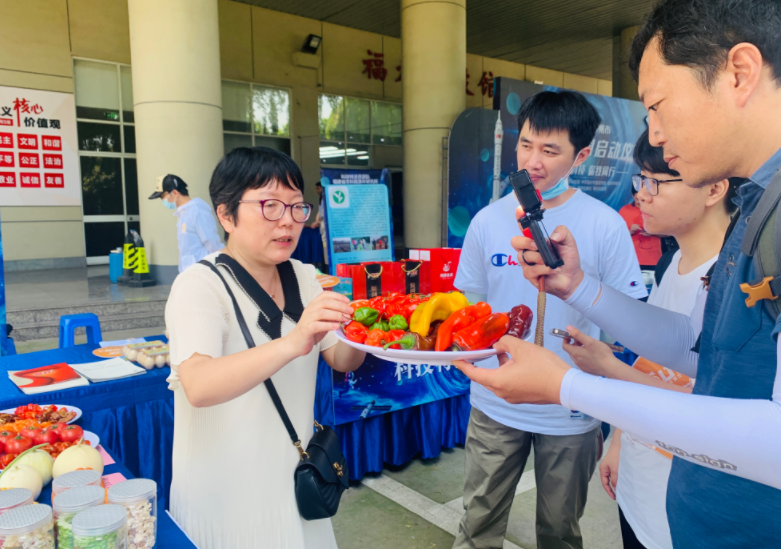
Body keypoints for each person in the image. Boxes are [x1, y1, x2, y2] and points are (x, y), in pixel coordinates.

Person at [453, 1, 781, 546]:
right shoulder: (755, 209)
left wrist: (570, 386)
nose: (652, 133)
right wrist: (578, 287)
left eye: (657, 105)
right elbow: (693, 344)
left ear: (739, 73)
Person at [452, 90, 646, 549]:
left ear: (581, 154)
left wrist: (618, 425)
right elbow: (470, 309)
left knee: (560, 529)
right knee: (478, 519)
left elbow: (629, 327)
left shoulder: (605, 225)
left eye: (550, 150)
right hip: (495, 403)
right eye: (526, 145)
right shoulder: (485, 220)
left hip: (572, 409)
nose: (532, 161)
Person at [165, 147, 365, 549]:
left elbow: (341, 358)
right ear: (225, 215)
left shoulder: (304, 276)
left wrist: (363, 330)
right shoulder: (200, 286)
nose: (287, 221)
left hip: (296, 485)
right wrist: (293, 342)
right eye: (270, 206)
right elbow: (199, 385)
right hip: (226, 499)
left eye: (296, 207)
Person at [567, 129, 740, 549]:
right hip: (637, 491)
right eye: (639, 180)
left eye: (655, 182)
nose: (640, 194)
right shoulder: (672, 262)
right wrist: (619, 441)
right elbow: (648, 362)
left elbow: (714, 410)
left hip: (684, 512)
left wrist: (603, 371)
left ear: (715, 187)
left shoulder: (736, 284)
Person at [148, 174, 224, 272]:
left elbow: (212, 243)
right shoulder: (184, 214)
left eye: (163, 196)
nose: (163, 200)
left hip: (201, 272)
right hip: (190, 273)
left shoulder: (197, 211)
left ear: (175, 193)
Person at [619, 184, 663, 270]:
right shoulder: (624, 210)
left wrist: (653, 232)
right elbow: (618, 237)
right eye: (637, 199)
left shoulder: (657, 210)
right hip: (631, 260)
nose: (640, 202)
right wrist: (630, 231)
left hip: (653, 259)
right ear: (633, 195)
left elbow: (668, 234)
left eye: (642, 199)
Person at [309, 181, 328, 265]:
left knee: (326, 250)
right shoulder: (321, 199)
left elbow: (323, 215)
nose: (317, 190)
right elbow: (319, 213)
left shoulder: (327, 198)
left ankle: (327, 267)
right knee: (324, 250)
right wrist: (317, 221)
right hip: (322, 229)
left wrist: (318, 221)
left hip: (326, 229)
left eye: (318, 188)